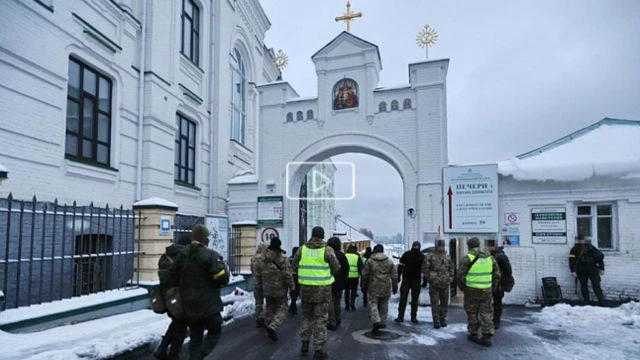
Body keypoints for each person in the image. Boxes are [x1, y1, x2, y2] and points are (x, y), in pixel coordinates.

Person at [171, 224, 229, 360]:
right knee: (215, 331)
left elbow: (172, 276)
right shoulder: (210, 255)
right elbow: (222, 278)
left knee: (195, 336)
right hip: (208, 305)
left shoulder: (182, 254)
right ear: (205, 239)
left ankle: (194, 357)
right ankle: (198, 357)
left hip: (188, 305)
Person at [292, 226, 340, 360]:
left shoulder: (302, 249)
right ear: (323, 236)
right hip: (322, 290)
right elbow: (336, 267)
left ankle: (305, 343)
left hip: (306, 289)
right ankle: (318, 349)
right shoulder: (327, 250)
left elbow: (294, 266)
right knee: (320, 319)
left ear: (312, 235)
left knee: (306, 316)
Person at [457, 237, 500, 347]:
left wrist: (463, 288)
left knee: (472, 311)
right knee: (486, 312)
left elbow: (460, 275)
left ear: (469, 246)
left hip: (471, 290)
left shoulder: (467, 258)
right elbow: (497, 274)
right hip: (486, 289)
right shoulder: (490, 257)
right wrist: (492, 287)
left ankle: (474, 334)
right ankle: (487, 335)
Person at [153, 234, 190, 360]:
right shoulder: (183, 257)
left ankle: (162, 349)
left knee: (177, 323)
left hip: (166, 296)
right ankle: (173, 354)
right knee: (182, 325)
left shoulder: (165, 256)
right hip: (178, 296)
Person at [255, 237, 295, 341]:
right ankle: (273, 326)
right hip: (280, 290)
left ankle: (268, 326)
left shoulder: (262, 259)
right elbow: (288, 275)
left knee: (269, 308)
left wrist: (260, 286)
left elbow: (258, 274)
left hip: (267, 289)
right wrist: (292, 287)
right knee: (283, 308)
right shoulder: (283, 259)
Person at [362, 244, 398, 333]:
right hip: (386, 285)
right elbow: (394, 275)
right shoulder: (389, 261)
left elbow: (365, 274)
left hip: (374, 285)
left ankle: (376, 320)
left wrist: (364, 285)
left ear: (375, 250)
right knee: (384, 304)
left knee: (373, 303)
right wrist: (395, 286)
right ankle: (382, 321)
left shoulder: (370, 261)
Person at [423, 239, 454, 329]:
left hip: (445, 283)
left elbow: (451, 268)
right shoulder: (430, 256)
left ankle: (443, 319)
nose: (441, 247)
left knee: (444, 304)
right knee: (435, 304)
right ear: (436, 246)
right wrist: (430, 279)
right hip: (434, 284)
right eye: (440, 245)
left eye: (442, 245)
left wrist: (450, 279)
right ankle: (436, 321)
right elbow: (425, 269)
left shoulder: (447, 257)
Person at [569, 236, 605, 306]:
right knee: (583, 286)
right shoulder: (574, 250)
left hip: (592, 269)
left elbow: (600, 257)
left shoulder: (591, 248)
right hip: (581, 270)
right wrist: (573, 271)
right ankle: (586, 301)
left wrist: (602, 268)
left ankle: (602, 302)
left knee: (596, 285)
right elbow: (571, 261)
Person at [394, 241, 424, 323]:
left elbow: (400, 266)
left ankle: (400, 316)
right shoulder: (421, 256)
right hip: (416, 280)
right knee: (414, 300)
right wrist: (424, 281)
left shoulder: (406, 254)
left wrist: (398, 276)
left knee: (403, 299)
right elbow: (424, 270)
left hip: (407, 279)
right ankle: (413, 317)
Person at [486, 239, 513, 329]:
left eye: (488, 246)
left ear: (492, 246)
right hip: (491, 283)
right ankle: (491, 320)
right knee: (491, 303)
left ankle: (496, 321)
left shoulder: (500, 256)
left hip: (498, 284)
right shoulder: (492, 255)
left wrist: (503, 283)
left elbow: (508, 271)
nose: (487, 248)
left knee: (497, 303)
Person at [327, 237, 349, 330]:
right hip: (339, 282)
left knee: (330, 302)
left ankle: (332, 321)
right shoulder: (342, 255)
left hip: (329, 281)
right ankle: (338, 318)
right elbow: (346, 268)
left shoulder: (327, 255)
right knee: (337, 301)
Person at [251, 242, 268, 327]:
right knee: (269, 301)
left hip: (256, 282)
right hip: (264, 282)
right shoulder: (264, 258)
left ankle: (258, 317)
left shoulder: (253, 258)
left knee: (258, 302)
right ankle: (263, 317)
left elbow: (252, 270)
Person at [344, 245, 363, 311]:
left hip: (346, 276)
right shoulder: (357, 256)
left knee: (347, 291)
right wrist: (361, 275)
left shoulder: (345, 255)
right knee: (354, 291)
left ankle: (347, 305)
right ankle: (352, 303)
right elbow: (360, 267)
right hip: (355, 276)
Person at [289, 246, 301, 315]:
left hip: (290, 277)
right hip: (297, 277)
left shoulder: (289, 259)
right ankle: (293, 306)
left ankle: (292, 305)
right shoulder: (299, 260)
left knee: (292, 291)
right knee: (296, 292)